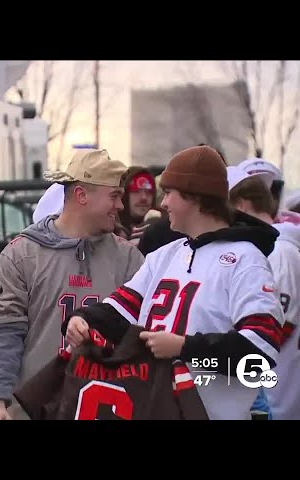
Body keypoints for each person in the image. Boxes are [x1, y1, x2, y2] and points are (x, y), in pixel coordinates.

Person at [63, 145, 285, 420]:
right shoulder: (165, 255)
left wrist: (184, 348)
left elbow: (259, 356)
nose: (162, 203)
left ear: (195, 198)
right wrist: (82, 319)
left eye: (169, 193)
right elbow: (118, 312)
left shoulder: (246, 259)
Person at [0, 148, 145, 420]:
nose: (121, 205)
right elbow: (6, 334)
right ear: (82, 195)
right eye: (114, 196)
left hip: (105, 404)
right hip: (34, 406)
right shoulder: (22, 254)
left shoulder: (129, 258)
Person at [228, 168, 300, 420]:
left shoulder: (281, 250)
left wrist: (241, 362)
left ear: (241, 204)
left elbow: (282, 324)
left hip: (277, 385)